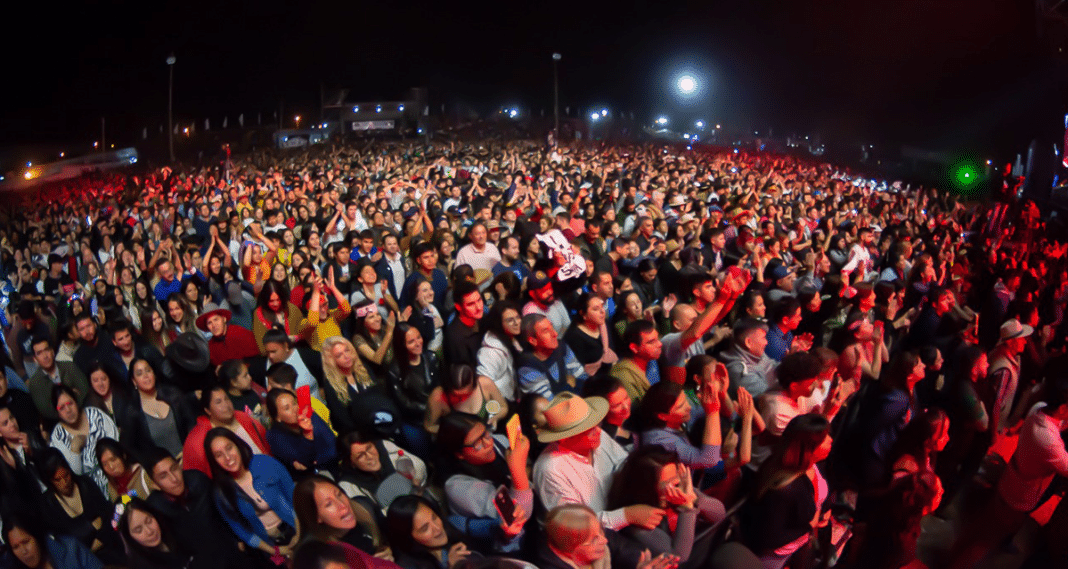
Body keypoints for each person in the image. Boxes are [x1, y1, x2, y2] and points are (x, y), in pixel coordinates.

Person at [948, 379, 1068, 569]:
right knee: (984, 542)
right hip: (1017, 498)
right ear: (1062, 409)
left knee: (979, 528)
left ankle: (949, 558)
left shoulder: (1039, 408)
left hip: (1009, 482)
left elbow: (1058, 425)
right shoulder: (1050, 441)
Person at [533, 393, 660, 532]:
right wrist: (627, 515)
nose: (598, 431)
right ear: (564, 438)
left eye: (596, 424)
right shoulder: (551, 469)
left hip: (621, 512)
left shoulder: (598, 436)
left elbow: (626, 464)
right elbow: (576, 525)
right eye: (588, 429)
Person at [741, 414, 833, 569]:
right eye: (824, 439)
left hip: (798, 545)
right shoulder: (786, 488)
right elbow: (767, 538)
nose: (831, 440)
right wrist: (810, 525)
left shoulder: (806, 467)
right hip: (776, 556)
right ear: (808, 449)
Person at [607, 448, 725, 567]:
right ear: (647, 489)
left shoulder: (679, 488)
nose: (676, 484)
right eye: (668, 483)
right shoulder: (639, 520)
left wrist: (694, 498)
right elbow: (679, 556)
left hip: (710, 551)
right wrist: (687, 508)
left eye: (676, 478)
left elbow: (720, 514)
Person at [435, 412, 532, 552]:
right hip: (507, 542)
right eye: (477, 444)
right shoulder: (458, 487)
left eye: (485, 434)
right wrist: (518, 471)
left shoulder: (498, 440)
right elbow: (517, 517)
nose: (488, 443)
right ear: (460, 454)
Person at [205, 427, 299, 564]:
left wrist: (299, 533)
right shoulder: (221, 493)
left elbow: (294, 496)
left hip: (296, 526)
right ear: (214, 461)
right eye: (219, 455)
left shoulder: (264, 463)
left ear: (237, 445)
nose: (227, 457)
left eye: (229, 448)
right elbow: (242, 531)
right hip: (270, 545)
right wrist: (275, 551)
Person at [144, 448, 245, 567]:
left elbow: (225, 510)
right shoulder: (155, 505)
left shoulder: (197, 479)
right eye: (163, 476)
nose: (174, 479)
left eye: (174, 468)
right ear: (154, 484)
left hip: (232, 552)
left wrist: (239, 539)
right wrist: (126, 498)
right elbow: (123, 507)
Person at [36, 447, 126, 565]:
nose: (65, 482)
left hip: (112, 548)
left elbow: (109, 518)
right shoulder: (47, 504)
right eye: (58, 480)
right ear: (49, 481)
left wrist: (85, 536)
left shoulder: (85, 484)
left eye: (66, 475)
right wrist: (92, 526)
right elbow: (67, 545)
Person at [537, 504, 677, 569]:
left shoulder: (594, 532)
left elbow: (627, 548)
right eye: (593, 539)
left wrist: (638, 564)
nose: (604, 539)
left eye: (601, 530)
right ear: (568, 550)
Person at [320, 335, 400, 438]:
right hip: (357, 435)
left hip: (380, 423)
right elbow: (342, 419)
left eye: (347, 351)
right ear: (332, 361)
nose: (346, 356)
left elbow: (380, 398)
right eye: (339, 355)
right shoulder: (331, 385)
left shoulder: (363, 369)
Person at [293, 474, 391, 557]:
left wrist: (390, 551)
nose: (343, 505)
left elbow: (391, 538)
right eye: (328, 504)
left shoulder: (365, 507)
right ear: (316, 517)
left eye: (339, 494)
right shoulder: (320, 556)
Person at [183, 384, 271, 476]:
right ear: (208, 410)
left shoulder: (244, 417)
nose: (226, 405)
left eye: (227, 399)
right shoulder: (197, 440)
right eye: (218, 402)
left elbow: (266, 446)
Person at [336, 430, 429, 514]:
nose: (369, 456)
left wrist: (415, 482)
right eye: (360, 456)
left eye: (369, 448)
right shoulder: (348, 485)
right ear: (351, 463)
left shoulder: (385, 447)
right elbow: (373, 517)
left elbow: (419, 465)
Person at [116, 497, 222, 569]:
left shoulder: (178, 528)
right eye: (138, 530)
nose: (149, 531)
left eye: (149, 521)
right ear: (129, 538)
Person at [120, 358, 194, 460]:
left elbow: (191, 422)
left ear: (154, 373)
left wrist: (189, 450)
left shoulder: (174, 394)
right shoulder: (132, 412)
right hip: (163, 469)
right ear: (134, 381)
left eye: (148, 370)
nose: (146, 376)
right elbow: (128, 447)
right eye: (139, 373)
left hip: (190, 457)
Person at [49, 384, 119, 493]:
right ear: (57, 413)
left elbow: (117, 445)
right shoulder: (57, 437)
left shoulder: (95, 415)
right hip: (89, 492)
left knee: (125, 503)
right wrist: (75, 449)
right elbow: (74, 476)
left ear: (76, 401)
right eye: (61, 408)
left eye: (70, 403)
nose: (68, 410)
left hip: (116, 479)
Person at [385, 494, 481, 569]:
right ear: (409, 538)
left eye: (434, 517)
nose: (438, 528)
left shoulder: (452, 523)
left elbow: (489, 526)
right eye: (425, 528)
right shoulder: (408, 566)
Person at [389, 322, 440, 457]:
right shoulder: (394, 370)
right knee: (422, 452)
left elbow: (441, 385)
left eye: (418, 337)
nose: (418, 343)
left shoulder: (431, 357)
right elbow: (403, 403)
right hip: (414, 420)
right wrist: (430, 408)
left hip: (438, 412)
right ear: (402, 345)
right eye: (411, 341)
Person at [265, 388, 338, 479]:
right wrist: (308, 435)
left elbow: (331, 441)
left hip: (332, 465)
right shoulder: (275, 437)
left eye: (294, 403)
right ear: (277, 418)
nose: (295, 409)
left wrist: (318, 461)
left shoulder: (307, 414)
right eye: (287, 408)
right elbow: (304, 463)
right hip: (308, 479)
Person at [516, 313, 588, 399]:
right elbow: (551, 404)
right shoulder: (527, 368)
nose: (555, 334)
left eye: (552, 327)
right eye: (546, 331)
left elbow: (582, 376)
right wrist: (569, 385)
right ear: (533, 340)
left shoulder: (561, 346)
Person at [425, 364, 509, 433]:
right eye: (456, 396)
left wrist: (494, 418)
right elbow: (429, 426)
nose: (462, 400)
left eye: (466, 395)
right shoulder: (438, 397)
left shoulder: (485, 384)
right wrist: (452, 432)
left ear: (473, 383)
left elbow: (503, 407)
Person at [26, 335, 89, 425]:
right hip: (58, 424)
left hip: (83, 412)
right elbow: (47, 411)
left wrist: (73, 410)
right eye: (39, 353)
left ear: (52, 351)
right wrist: (72, 393)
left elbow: (85, 390)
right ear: (35, 359)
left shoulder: (69, 366)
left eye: (47, 350)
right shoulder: (35, 383)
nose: (45, 356)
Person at [1, 514, 104, 569]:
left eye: (26, 542)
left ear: (37, 537)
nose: (24, 551)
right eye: (16, 547)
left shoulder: (70, 549)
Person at [564, 294, 619, 380]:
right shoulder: (573, 337)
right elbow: (578, 371)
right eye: (596, 309)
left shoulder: (604, 324)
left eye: (602, 306)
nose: (602, 311)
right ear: (583, 314)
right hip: (593, 380)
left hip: (614, 371)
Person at [263, 328, 325, 402]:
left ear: (286, 346)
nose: (270, 356)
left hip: (318, 409)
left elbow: (325, 382)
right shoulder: (264, 365)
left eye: (273, 352)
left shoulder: (308, 356)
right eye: (268, 352)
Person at [720, 319, 777, 398]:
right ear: (748, 342)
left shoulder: (756, 354)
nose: (766, 342)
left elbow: (773, 366)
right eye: (763, 338)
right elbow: (770, 398)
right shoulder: (740, 372)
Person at [198, 302, 260, 366]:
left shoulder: (241, 333)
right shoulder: (211, 346)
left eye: (216, 319)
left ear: (224, 319)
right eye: (209, 323)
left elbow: (255, 360)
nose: (213, 325)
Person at [94, 437, 153, 501]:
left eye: (113, 460)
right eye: (105, 464)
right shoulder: (112, 485)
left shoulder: (144, 474)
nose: (111, 467)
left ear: (123, 455)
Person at [444, 280, 485, 369]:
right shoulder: (455, 337)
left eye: (479, 300)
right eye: (471, 304)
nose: (478, 307)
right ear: (458, 307)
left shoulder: (484, 318)